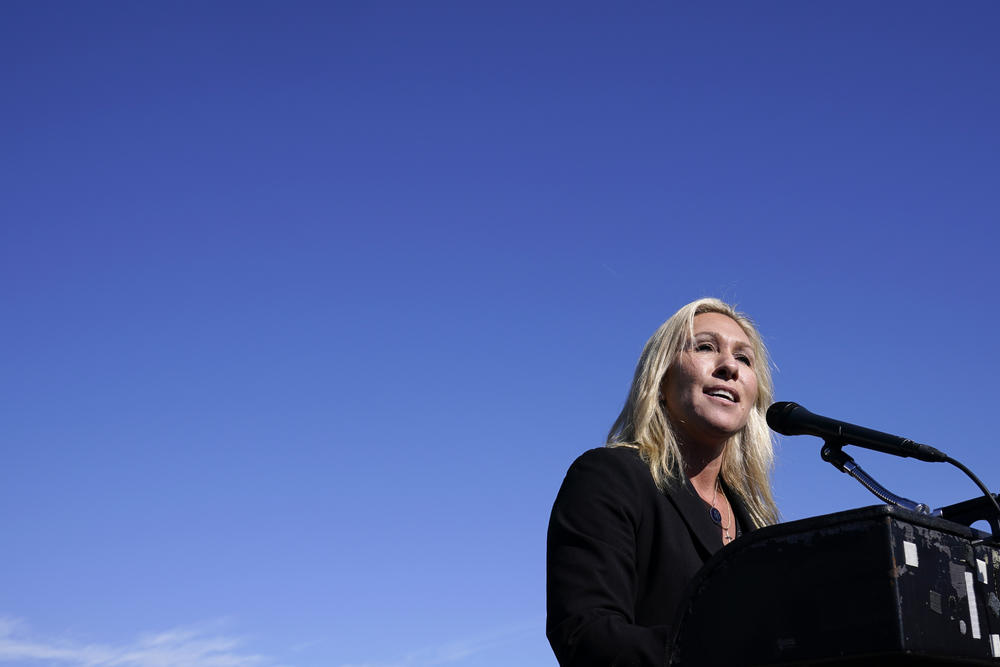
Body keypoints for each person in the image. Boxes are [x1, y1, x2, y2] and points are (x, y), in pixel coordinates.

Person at [546, 298, 780, 666]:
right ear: (660, 376)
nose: (729, 367)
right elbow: (585, 633)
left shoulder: (762, 528)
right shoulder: (609, 477)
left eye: (744, 358)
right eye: (705, 347)